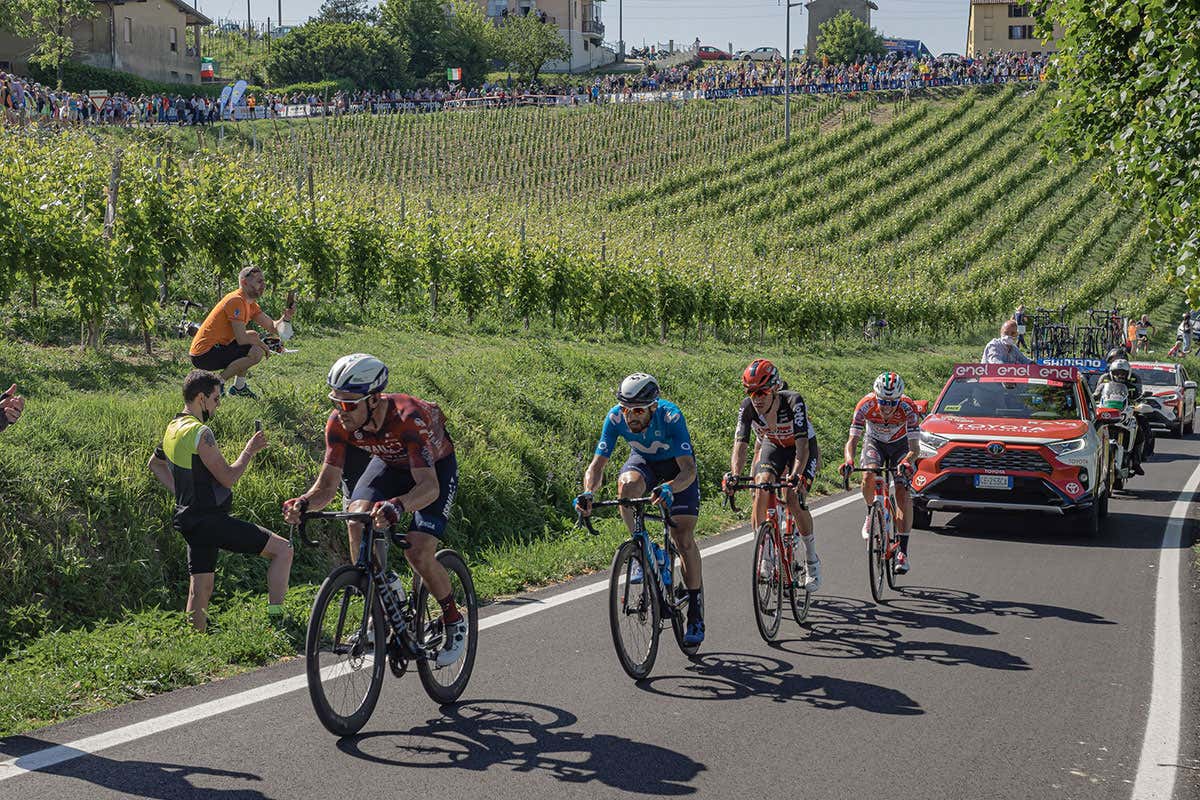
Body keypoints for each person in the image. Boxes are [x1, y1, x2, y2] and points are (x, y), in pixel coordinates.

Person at [281, 354, 466, 667]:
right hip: (391, 464)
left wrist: (399, 504)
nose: (341, 412)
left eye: (350, 404)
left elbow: (428, 487)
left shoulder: (408, 419)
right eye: (336, 402)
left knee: (418, 552)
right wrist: (303, 503)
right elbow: (326, 488)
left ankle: (453, 620)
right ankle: (382, 594)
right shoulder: (339, 424)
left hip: (433, 470)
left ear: (375, 399)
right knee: (356, 516)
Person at [147, 370, 293, 631]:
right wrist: (250, 450)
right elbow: (228, 478)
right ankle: (277, 620)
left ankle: (195, 640)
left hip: (190, 518)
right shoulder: (200, 433)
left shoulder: (173, 427)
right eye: (216, 398)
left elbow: (155, 465)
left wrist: (181, 494)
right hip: (210, 519)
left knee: (200, 586)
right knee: (283, 550)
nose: (218, 405)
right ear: (201, 398)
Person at [575, 373, 705, 645]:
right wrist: (588, 492)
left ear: (653, 407)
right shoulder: (615, 418)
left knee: (682, 537)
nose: (629, 416)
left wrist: (670, 486)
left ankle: (695, 610)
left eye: (637, 410)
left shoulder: (671, 416)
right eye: (625, 409)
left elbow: (689, 470)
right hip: (644, 462)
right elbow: (597, 465)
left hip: (677, 468)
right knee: (626, 488)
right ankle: (643, 551)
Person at [724, 359, 821, 592]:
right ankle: (765, 555)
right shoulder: (747, 407)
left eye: (762, 392)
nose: (756, 398)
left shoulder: (793, 401)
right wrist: (735, 475)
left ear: (775, 388)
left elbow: (802, 448)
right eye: (751, 392)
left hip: (800, 449)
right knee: (760, 486)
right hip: (773, 446)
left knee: (792, 499)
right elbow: (741, 444)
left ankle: (811, 560)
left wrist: (796, 475)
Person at [840, 372, 921, 574]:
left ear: (899, 399)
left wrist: (906, 462)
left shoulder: (908, 408)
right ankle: (871, 512)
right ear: (876, 397)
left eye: (892, 403)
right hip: (874, 442)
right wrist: (849, 460)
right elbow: (852, 441)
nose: (887, 407)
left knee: (902, 490)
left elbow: (915, 448)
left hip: (901, 445)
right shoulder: (865, 405)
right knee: (868, 475)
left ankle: (902, 551)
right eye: (883, 401)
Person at [188, 266, 294, 398]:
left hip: (219, 347)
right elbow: (242, 339)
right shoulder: (236, 301)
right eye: (259, 281)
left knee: (253, 345)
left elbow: (272, 327)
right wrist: (262, 344)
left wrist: (286, 318)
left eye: (264, 281)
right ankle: (216, 384)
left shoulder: (250, 304)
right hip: (203, 355)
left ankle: (239, 387)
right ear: (244, 283)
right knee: (255, 349)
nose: (263, 285)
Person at [1095, 357, 1147, 475]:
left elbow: (1139, 395)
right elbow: (1096, 393)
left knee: (1141, 429)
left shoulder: (1133, 383)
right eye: (1117, 373)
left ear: (1128, 374)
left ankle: (1136, 462)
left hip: (1127, 411)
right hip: (1107, 411)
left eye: (1123, 373)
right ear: (1111, 373)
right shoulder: (1104, 381)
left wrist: (1140, 401)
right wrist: (1093, 398)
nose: (1120, 375)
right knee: (1091, 427)